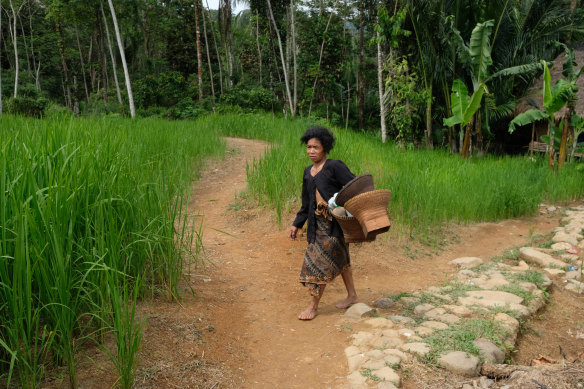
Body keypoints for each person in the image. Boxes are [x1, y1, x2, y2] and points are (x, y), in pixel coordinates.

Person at [289, 126, 359, 320]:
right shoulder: (307, 172)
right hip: (316, 225)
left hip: (335, 226)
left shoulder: (335, 166)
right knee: (342, 260)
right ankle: (352, 295)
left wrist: (339, 203)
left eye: (316, 147)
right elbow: (306, 203)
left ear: (325, 148)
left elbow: (354, 187)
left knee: (318, 265)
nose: (311, 151)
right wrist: (297, 224)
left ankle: (313, 306)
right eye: (309, 147)